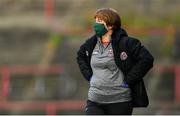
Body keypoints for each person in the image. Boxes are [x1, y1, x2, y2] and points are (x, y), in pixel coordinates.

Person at [76, 8, 154, 115]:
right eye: (96, 21)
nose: (95, 25)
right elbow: (80, 56)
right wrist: (89, 76)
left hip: (120, 101)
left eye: (99, 22)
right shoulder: (91, 43)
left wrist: (129, 80)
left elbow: (147, 59)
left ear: (110, 26)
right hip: (95, 100)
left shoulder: (126, 43)